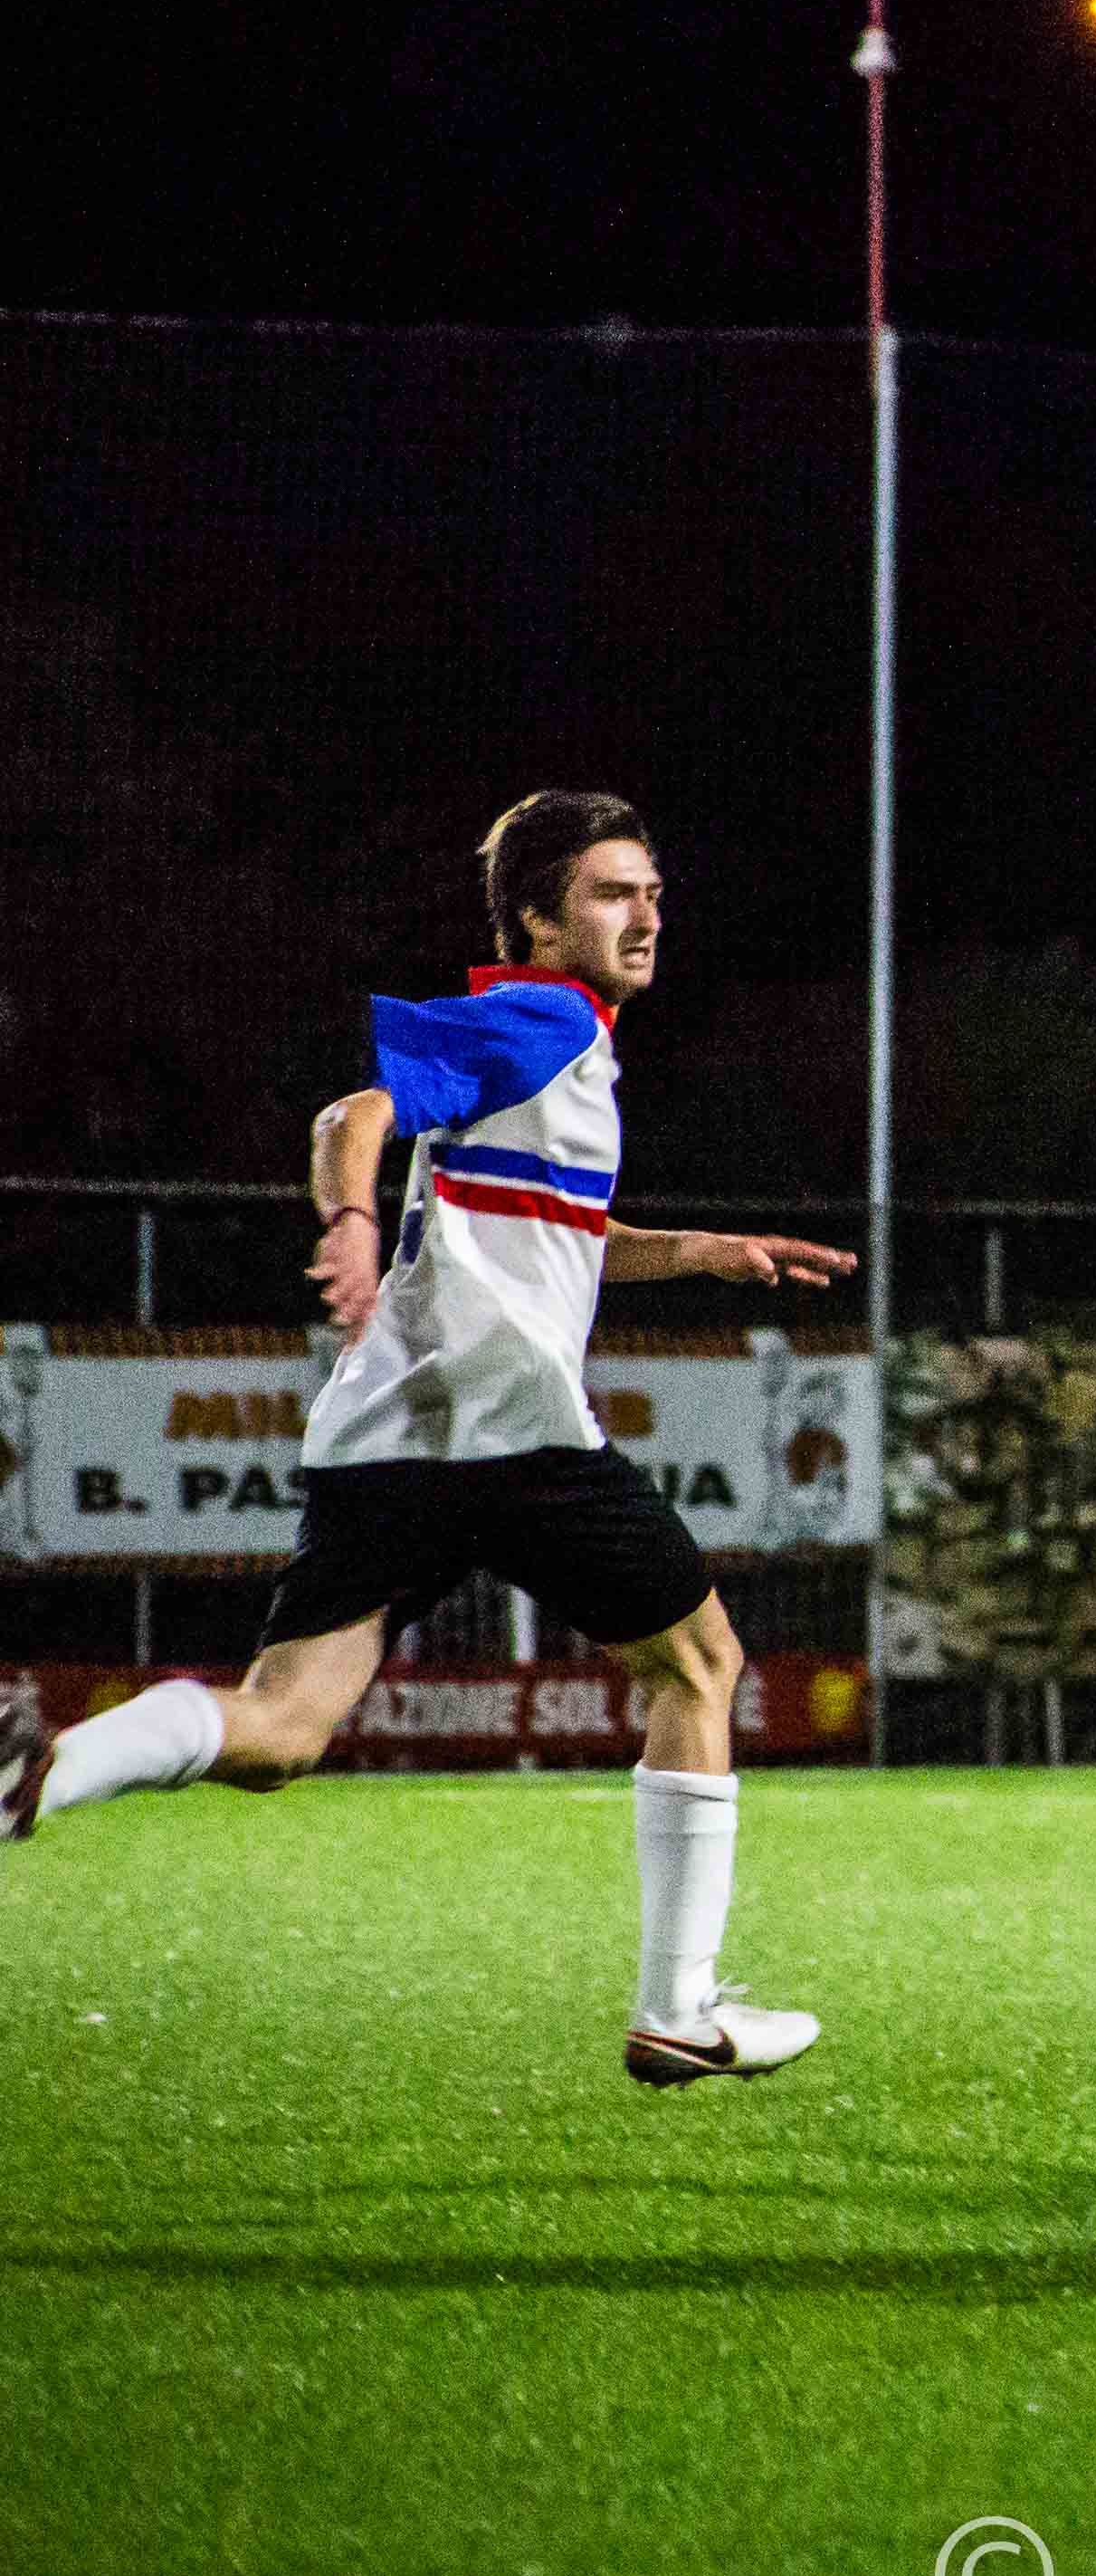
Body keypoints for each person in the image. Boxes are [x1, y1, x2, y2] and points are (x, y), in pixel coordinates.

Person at [0, 794, 857, 2084]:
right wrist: (349, 1224)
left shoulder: (550, 1058)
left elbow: (546, 1236)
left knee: (283, 1729)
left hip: (389, 1439)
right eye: (613, 892)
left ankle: (43, 1769)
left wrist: (697, 1251)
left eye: (653, 891)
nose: (646, 915)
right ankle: (677, 2009)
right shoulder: (544, 1017)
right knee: (700, 1662)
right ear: (538, 920)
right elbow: (349, 1120)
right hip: (510, 1427)